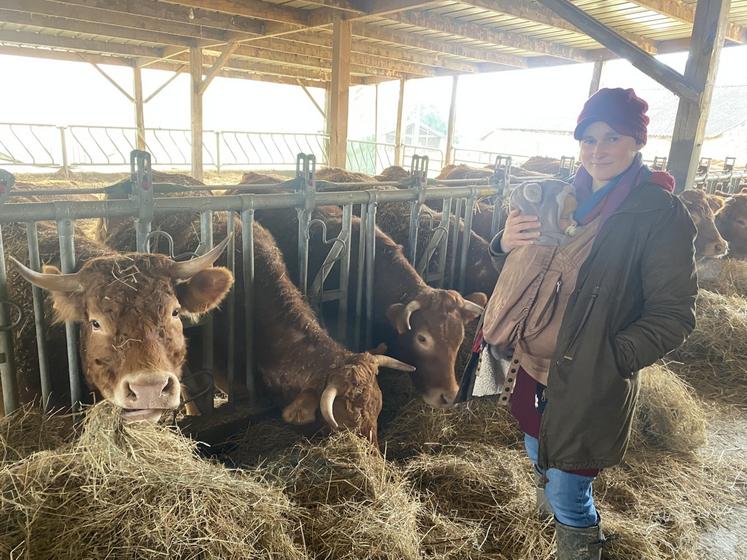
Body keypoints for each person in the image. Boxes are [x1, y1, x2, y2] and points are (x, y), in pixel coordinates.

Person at [485, 88, 697, 559]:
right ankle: (550, 520)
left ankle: (578, 543)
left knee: (569, 489)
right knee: (537, 449)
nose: (598, 150)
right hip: (530, 364)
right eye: (588, 139)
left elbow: (674, 313)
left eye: (612, 137)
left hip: (587, 375)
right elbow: (523, 268)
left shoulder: (657, 212)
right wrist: (501, 243)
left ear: (637, 143)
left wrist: (611, 357)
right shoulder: (557, 198)